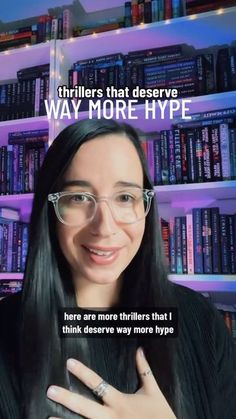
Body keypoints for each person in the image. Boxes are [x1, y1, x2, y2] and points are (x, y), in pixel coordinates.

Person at [0, 118, 235, 419]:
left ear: (144, 206)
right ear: (51, 210)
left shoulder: (199, 318)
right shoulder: (6, 330)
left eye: (125, 197)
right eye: (79, 198)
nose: (105, 227)